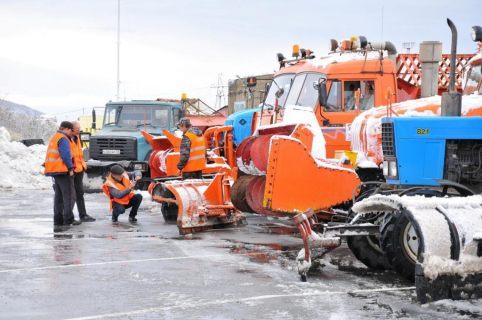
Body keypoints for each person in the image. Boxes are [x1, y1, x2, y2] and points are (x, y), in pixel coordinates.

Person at [44, 121, 81, 232]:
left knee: (59, 197)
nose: (71, 134)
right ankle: (68, 219)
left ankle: (58, 219)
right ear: (67, 129)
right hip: (63, 170)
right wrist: (70, 168)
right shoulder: (63, 139)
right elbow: (65, 155)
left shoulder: (55, 137)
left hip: (55, 171)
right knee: (69, 196)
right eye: (71, 131)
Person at [70, 121, 96, 222]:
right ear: (71, 129)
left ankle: (83, 214)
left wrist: (84, 166)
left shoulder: (77, 138)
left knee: (79, 193)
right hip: (72, 170)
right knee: (71, 194)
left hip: (79, 169)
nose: (79, 130)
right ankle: (68, 216)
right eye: (77, 128)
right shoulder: (68, 140)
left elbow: (79, 155)